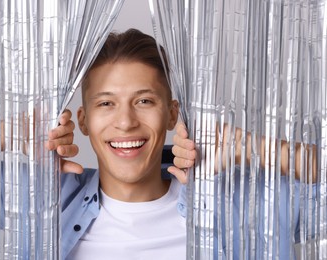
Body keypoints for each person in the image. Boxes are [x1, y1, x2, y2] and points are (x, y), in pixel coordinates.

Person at [46, 29, 318, 260]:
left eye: (144, 101)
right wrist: (6, 135)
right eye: (106, 103)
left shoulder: (238, 205)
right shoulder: (48, 200)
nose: (126, 122)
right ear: (83, 120)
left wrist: (251, 147)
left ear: (172, 114)